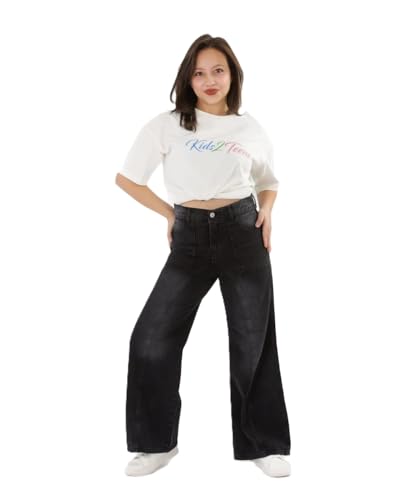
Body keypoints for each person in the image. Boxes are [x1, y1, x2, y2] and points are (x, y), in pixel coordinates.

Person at [116, 34, 291, 478]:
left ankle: (263, 445)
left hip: (242, 232)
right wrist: (169, 214)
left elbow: (268, 181)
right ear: (187, 79)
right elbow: (128, 178)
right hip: (190, 237)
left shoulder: (249, 129)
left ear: (232, 75)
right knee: (151, 339)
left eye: (218, 70)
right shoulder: (168, 124)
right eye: (199, 73)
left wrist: (267, 210)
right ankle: (156, 444)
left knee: (253, 341)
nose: (209, 80)